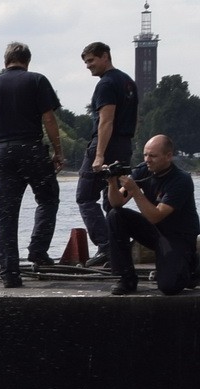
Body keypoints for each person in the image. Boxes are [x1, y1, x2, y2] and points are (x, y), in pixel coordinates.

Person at [0, 42, 64, 288]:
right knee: (47, 199)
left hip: (3, 154)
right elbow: (48, 118)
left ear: (5, 61)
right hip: (32, 149)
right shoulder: (37, 80)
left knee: (6, 215)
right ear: (27, 61)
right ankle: (37, 250)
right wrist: (58, 151)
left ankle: (10, 274)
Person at [105, 134, 199, 295]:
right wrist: (112, 183)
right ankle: (127, 278)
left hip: (178, 236)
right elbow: (117, 202)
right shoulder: (143, 170)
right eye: (145, 154)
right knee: (115, 215)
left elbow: (156, 216)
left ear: (168, 156)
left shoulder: (181, 180)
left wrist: (135, 190)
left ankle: (192, 267)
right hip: (156, 232)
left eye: (153, 156)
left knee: (169, 287)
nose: (148, 159)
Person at [77, 42, 139, 267]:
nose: (88, 66)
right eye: (86, 62)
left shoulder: (106, 84)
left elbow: (106, 121)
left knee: (85, 196)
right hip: (124, 145)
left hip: (106, 145)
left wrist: (99, 155)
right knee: (112, 201)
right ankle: (119, 248)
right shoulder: (128, 82)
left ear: (105, 57)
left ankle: (106, 247)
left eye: (91, 60)